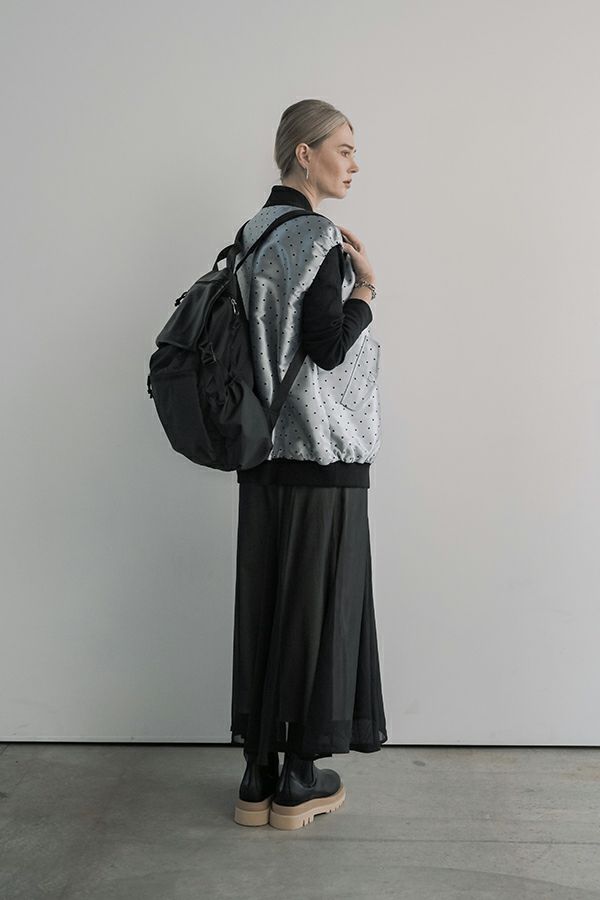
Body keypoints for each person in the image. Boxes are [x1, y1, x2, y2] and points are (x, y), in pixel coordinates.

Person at [230, 99, 387, 830]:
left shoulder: (251, 234)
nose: (354, 164)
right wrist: (366, 292)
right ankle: (299, 780)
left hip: (261, 453)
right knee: (318, 612)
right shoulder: (318, 236)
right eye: (344, 149)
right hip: (321, 455)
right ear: (304, 152)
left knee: (269, 608)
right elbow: (326, 348)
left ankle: (257, 776)